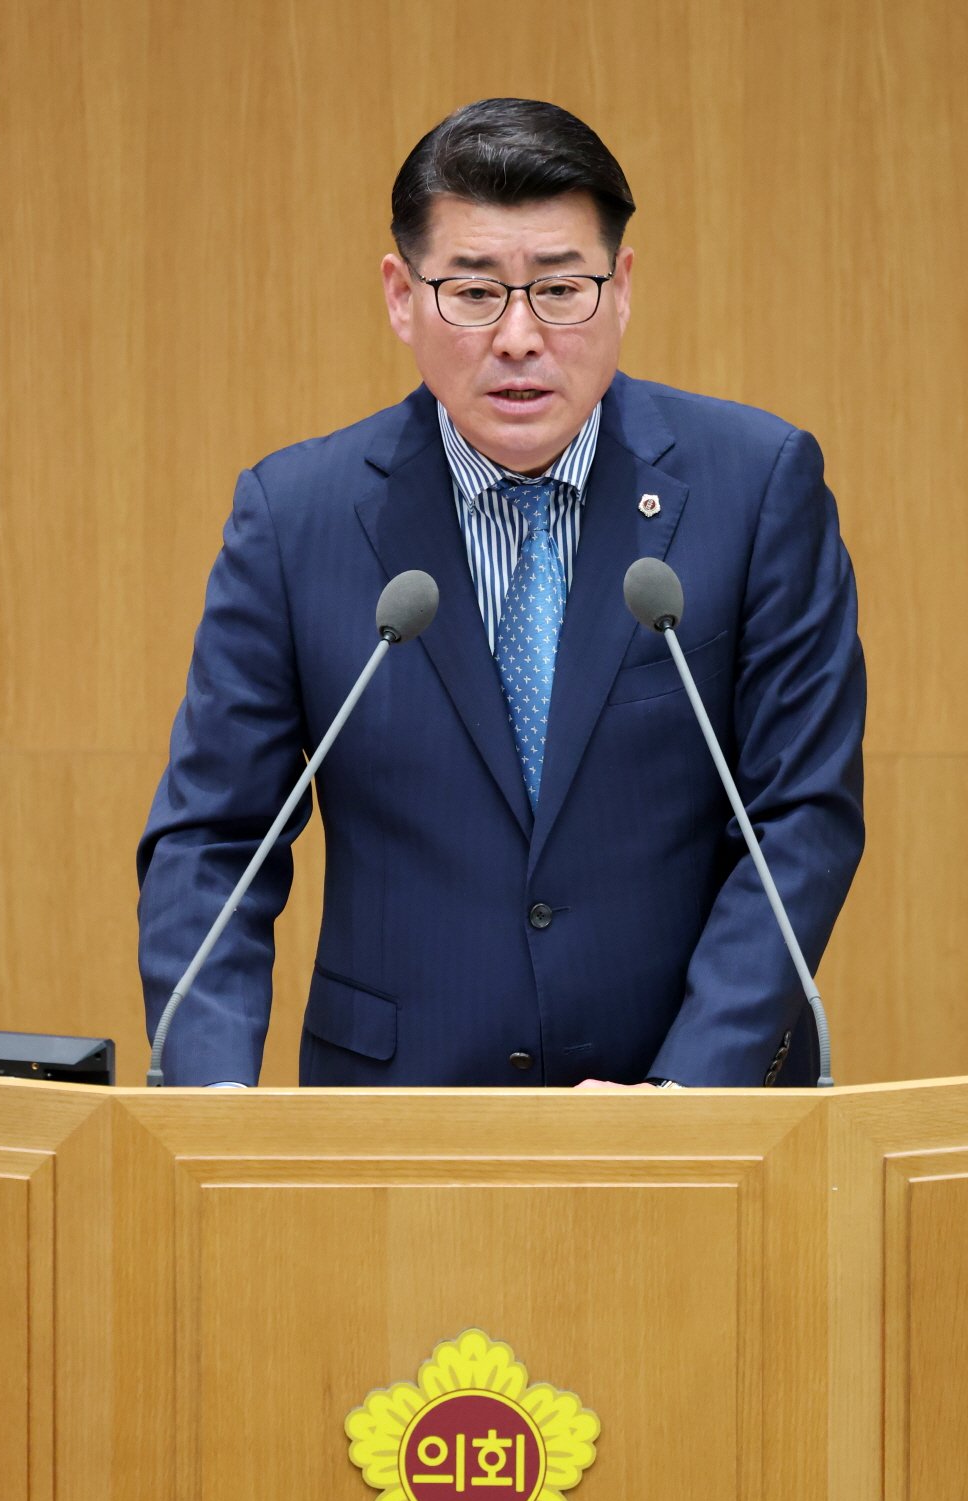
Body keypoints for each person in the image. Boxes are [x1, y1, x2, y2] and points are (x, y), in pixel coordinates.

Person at [137, 98, 865, 1090]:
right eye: (474, 292)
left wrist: (686, 1092)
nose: (519, 337)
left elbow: (799, 816)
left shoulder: (757, 485)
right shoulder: (295, 517)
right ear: (401, 295)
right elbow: (214, 837)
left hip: (687, 1103)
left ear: (621, 289)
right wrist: (211, 1099)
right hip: (393, 1115)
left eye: (560, 289)